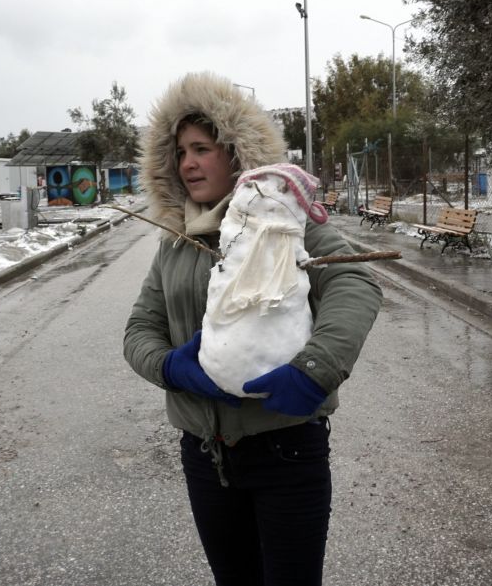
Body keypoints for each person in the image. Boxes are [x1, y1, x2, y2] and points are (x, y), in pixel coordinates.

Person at [123, 71, 383, 586]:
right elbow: (139, 329)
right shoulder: (176, 240)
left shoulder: (286, 222)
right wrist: (170, 367)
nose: (188, 163)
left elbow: (355, 283)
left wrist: (315, 369)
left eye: (201, 148)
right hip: (204, 454)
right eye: (179, 153)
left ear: (237, 153)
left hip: (286, 447)